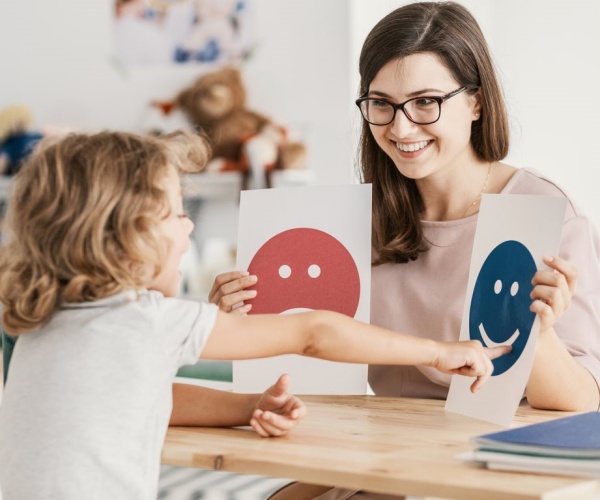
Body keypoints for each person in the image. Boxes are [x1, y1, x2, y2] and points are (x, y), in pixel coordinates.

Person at [209, 1, 600, 498]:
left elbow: (581, 405)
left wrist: (536, 333)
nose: (400, 128)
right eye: (381, 104)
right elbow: (310, 361)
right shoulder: (355, 222)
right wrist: (235, 322)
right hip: (385, 452)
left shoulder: (543, 210)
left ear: (476, 102)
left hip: (493, 463)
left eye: (425, 102)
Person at [0, 130, 507, 500]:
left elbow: (146, 396)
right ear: (125, 236)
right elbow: (314, 331)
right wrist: (439, 351)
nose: (190, 227)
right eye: (177, 212)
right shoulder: (144, 320)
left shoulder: (43, 326)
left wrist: (247, 408)